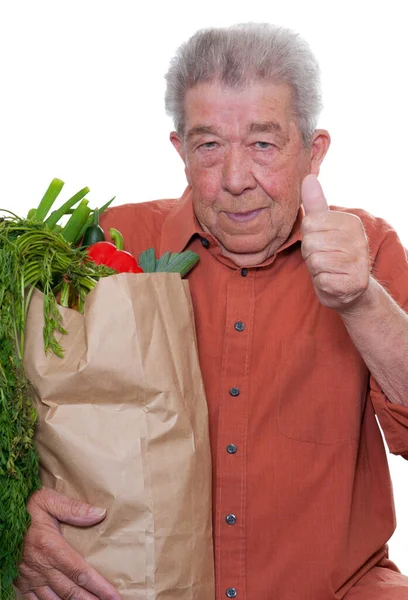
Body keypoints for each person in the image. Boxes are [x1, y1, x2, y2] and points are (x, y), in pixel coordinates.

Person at [16, 22, 408, 600]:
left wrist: (360, 299)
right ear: (180, 151)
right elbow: (16, 412)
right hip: (132, 586)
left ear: (314, 151)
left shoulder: (367, 249)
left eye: (263, 144)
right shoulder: (104, 246)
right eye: (209, 145)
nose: (234, 179)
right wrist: (18, 521)